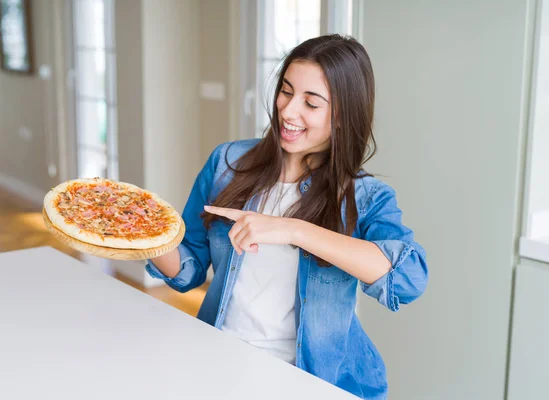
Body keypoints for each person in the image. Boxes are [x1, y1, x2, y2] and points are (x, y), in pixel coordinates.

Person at [146, 34, 428, 400]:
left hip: (313, 381)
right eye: (286, 91)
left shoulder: (365, 197)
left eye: (311, 104)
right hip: (220, 363)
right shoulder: (227, 164)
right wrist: (143, 235)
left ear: (343, 116)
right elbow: (188, 270)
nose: (288, 111)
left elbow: (408, 278)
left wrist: (294, 229)